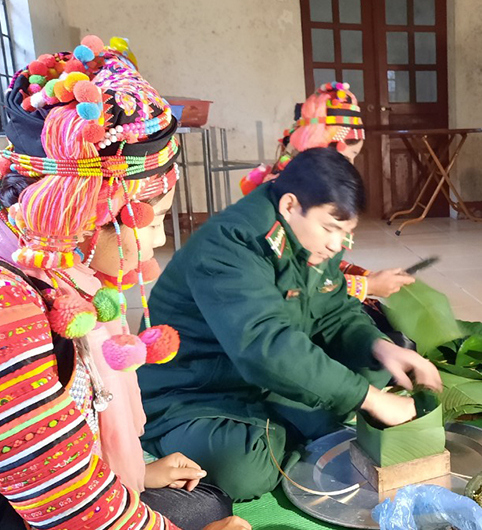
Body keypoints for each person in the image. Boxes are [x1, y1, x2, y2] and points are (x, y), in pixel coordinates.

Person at [0, 37, 279, 530]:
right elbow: (57, 489)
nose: (160, 234)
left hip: (33, 521)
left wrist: (140, 475)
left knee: (205, 498)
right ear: (86, 210)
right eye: (149, 214)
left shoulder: (32, 244)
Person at [137, 147, 442, 502]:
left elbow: (333, 311)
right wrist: (367, 398)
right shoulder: (230, 245)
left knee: (375, 364)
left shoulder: (314, 241)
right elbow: (265, 345)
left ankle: (291, 420)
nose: (335, 244)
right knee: (243, 469)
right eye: (330, 228)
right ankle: (282, 426)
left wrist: (380, 346)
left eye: (345, 232)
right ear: (289, 206)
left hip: (263, 380)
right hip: (198, 388)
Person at [240, 82, 414, 305]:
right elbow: (299, 282)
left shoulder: (291, 181)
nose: (351, 166)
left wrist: (364, 275)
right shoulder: (293, 201)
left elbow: (324, 264)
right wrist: (367, 286)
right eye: (350, 156)